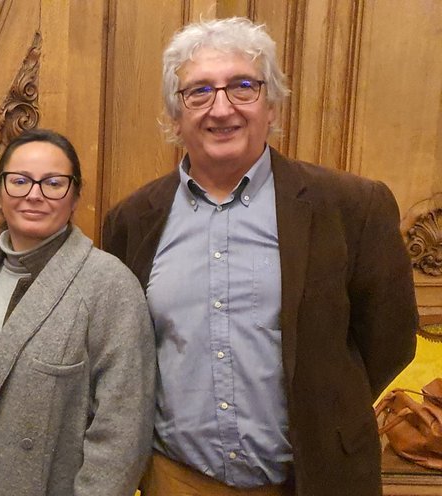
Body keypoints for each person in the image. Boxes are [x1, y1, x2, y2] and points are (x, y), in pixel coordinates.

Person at [101, 17, 419, 495]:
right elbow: (127, 353)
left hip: (314, 480)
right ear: (175, 116)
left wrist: (325, 417)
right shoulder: (132, 221)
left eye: (243, 86)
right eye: (199, 91)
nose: (221, 107)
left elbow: (388, 340)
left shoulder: (352, 206)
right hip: (177, 479)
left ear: (271, 106)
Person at [0, 129, 154, 495]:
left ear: (75, 197)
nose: (34, 195)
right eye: (20, 181)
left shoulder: (109, 284)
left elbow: (122, 432)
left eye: (53, 183)